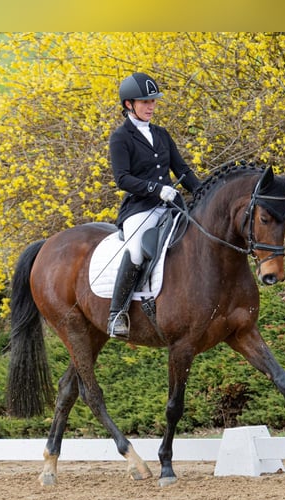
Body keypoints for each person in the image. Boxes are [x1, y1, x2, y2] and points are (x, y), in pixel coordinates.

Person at [106, 72, 201, 339]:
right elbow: (122, 178)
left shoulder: (161, 134)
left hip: (170, 206)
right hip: (140, 209)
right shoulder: (120, 138)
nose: (151, 106)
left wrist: (203, 192)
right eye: (145, 102)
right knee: (136, 251)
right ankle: (117, 314)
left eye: (153, 101)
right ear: (129, 105)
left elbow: (182, 168)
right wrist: (156, 189)